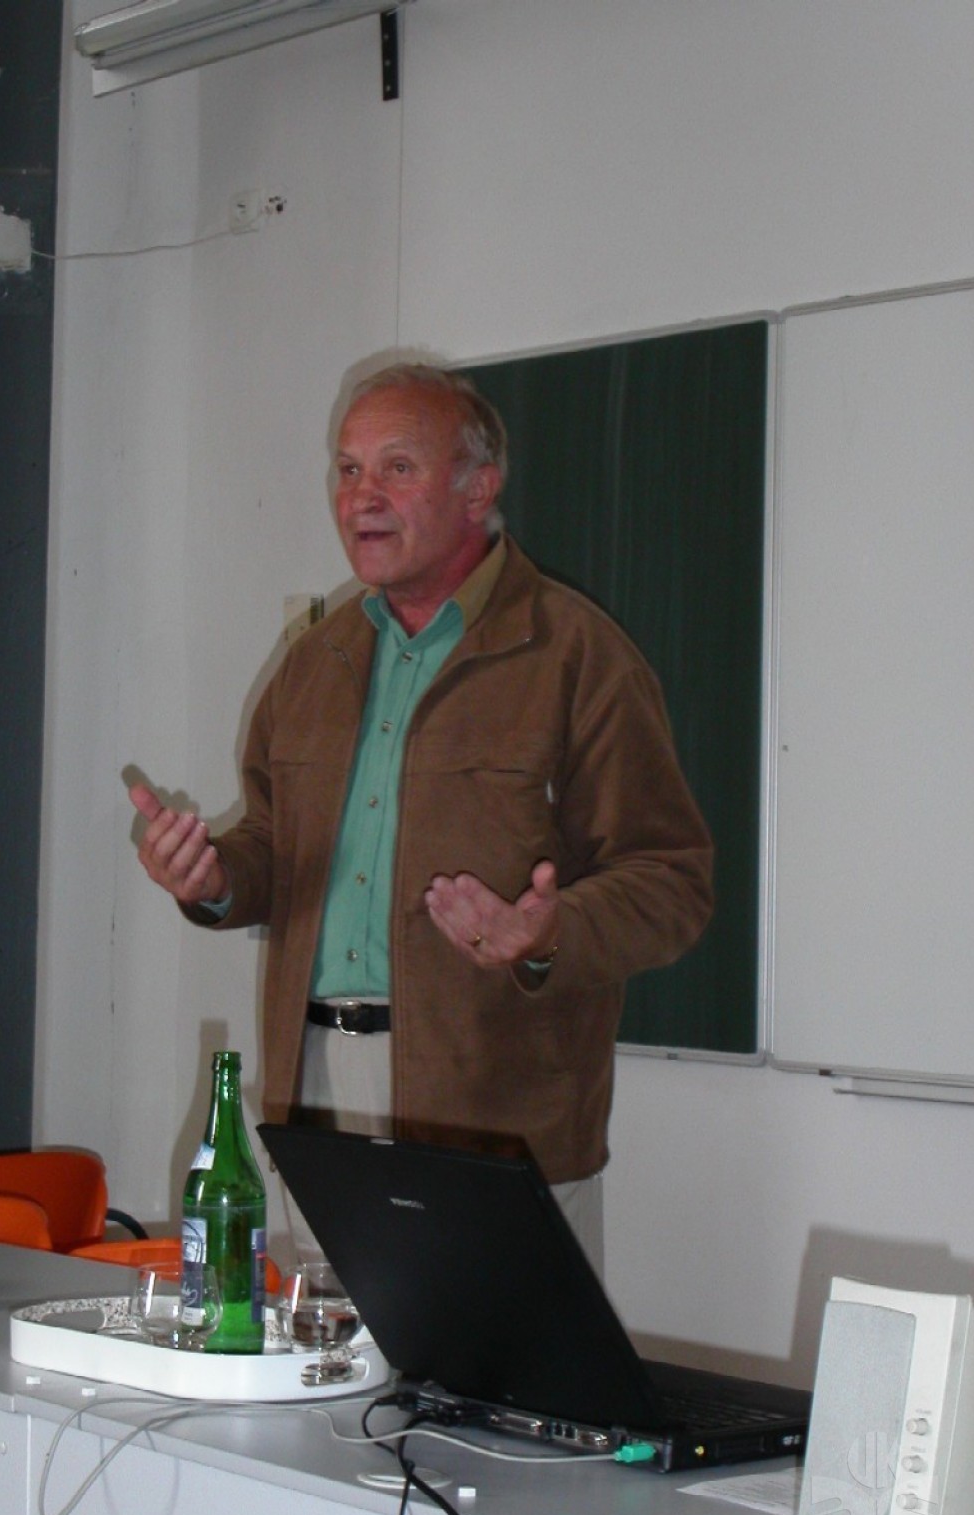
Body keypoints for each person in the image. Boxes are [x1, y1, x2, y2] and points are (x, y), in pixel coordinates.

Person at [130, 362, 713, 1270]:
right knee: (326, 1356)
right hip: (316, 1089)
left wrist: (549, 932)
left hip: (495, 1106)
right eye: (347, 469)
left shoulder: (574, 654)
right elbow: (274, 849)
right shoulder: (315, 660)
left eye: (397, 468)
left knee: (500, 1361)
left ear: (478, 488)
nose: (360, 496)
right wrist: (210, 879)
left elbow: (672, 881)